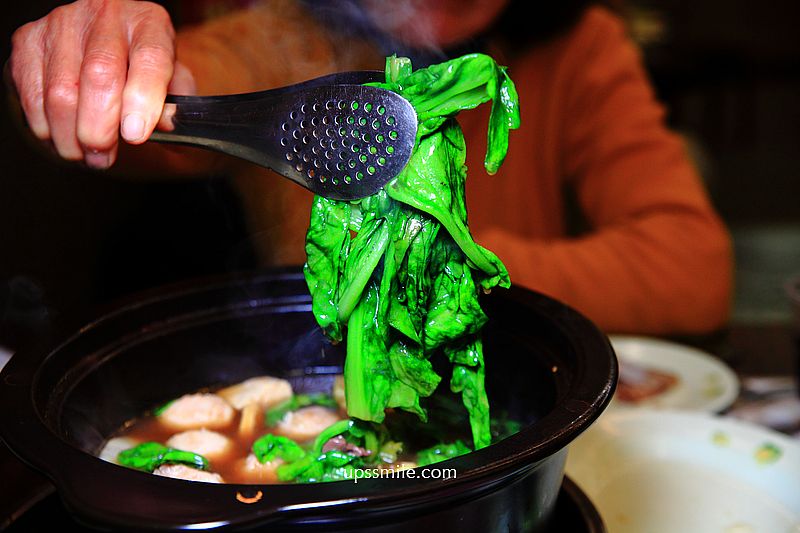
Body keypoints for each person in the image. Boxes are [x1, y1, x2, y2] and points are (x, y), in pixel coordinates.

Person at [8, 0, 733, 335]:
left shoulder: (582, 46)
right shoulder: (286, 30)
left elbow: (694, 271)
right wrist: (96, 71)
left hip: (523, 390)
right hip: (321, 384)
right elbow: (174, 106)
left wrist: (438, 263)